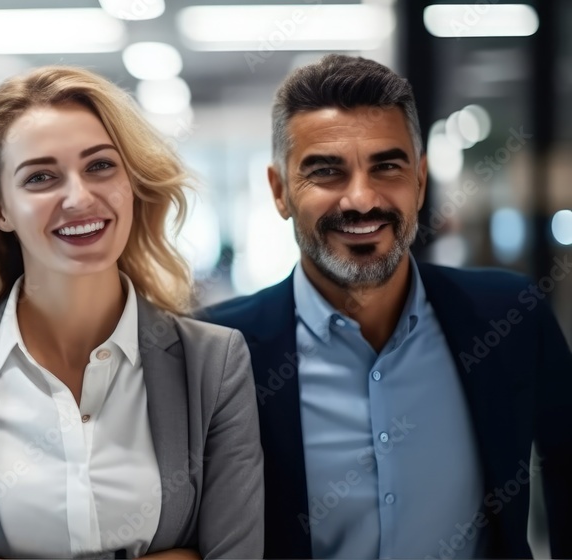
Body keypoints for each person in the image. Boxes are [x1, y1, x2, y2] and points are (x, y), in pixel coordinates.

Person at [0, 65, 264, 560]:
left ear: (132, 181)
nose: (78, 197)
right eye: (41, 177)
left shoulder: (214, 364)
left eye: (100, 166)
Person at [202, 54, 572, 559]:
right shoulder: (218, 352)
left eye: (387, 166)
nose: (360, 199)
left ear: (420, 181)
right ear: (279, 190)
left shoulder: (508, 317)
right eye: (326, 172)